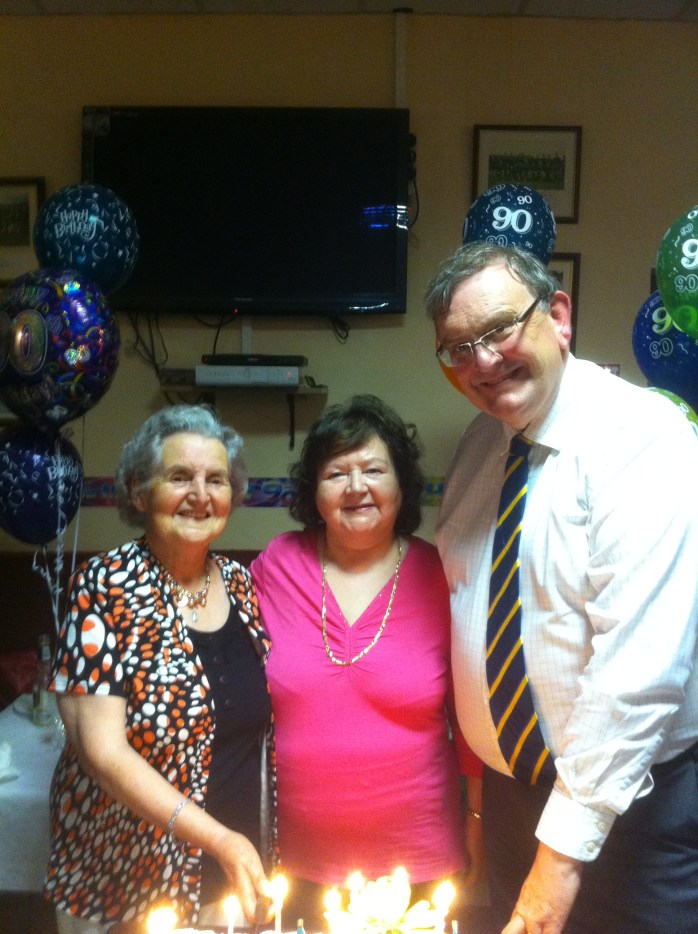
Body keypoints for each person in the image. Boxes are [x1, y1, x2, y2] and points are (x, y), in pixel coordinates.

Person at [425, 241, 698, 934]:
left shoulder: (645, 437)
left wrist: (558, 863)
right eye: (458, 348)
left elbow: (638, 674)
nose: (482, 361)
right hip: (517, 806)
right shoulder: (480, 447)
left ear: (559, 315)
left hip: (633, 816)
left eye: (499, 330)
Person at [250, 394, 483, 930]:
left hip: (419, 858)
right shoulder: (276, 566)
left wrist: (476, 825)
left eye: (373, 470)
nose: (356, 487)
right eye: (336, 473)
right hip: (299, 859)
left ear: (402, 485)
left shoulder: (441, 574)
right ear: (315, 491)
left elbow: (471, 723)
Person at [45, 404, 275, 933]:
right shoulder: (105, 586)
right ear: (139, 491)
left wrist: (231, 846)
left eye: (216, 479)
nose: (200, 494)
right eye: (179, 477)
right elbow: (103, 752)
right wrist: (216, 837)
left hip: (230, 869)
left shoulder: (240, 584)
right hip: (129, 877)